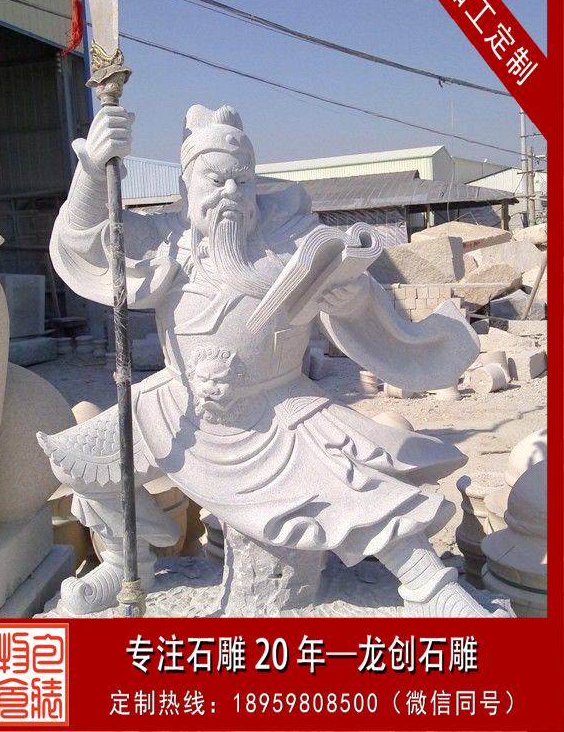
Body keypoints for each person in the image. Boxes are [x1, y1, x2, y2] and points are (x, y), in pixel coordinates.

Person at [39, 104, 507, 617]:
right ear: (187, 186)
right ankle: (124, 561)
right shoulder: (166, 238)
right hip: (180, 404)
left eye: (241, 181)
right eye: (215, 180)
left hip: (277, 404)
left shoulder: (290, 238)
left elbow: (356, 294)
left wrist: (349, 299)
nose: (230, 192)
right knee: (82, 461)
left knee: (357, 482)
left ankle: (430, 586)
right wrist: (93, 172)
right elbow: (86, 241)